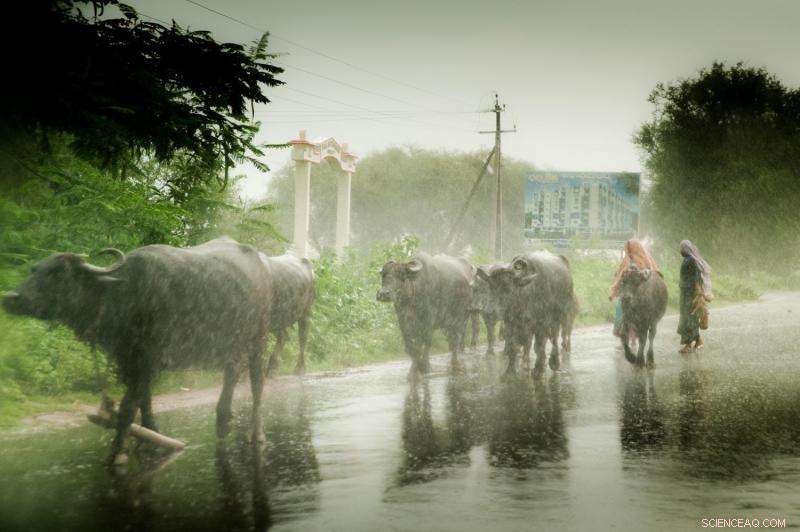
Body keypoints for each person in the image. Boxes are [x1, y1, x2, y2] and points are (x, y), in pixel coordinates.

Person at [609, 239, 660, 339]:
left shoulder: (643, 259)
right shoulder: (629, 259)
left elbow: (651, 274)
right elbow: (620, 274)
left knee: (631, 312)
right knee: (624, 311)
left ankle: (630, 334)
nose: (628, 250)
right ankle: (627, 334)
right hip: (631, 293)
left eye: (630, 248)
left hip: (637, 293)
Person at [677, 240, 712, 353]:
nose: (680, 250)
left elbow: (696, 279)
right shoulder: (687, 260)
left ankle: (688, 345)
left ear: (686, 249)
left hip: (691, 295)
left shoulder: (691, 261)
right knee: (687, 317)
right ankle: (698, 340)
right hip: (685, 294)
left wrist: (699, 294)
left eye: (682, 248)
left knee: (689, 319)